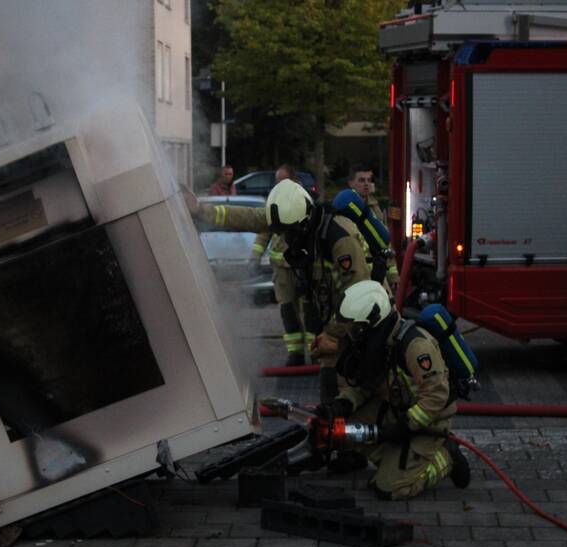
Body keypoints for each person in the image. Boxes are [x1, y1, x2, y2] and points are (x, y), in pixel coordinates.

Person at [187, 178, 371, 401]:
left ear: (304, 222)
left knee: (355, 389)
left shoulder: (341, 239)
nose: (287, 239)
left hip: (363, 323)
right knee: (329, 393)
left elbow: (360, 295)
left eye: (290, 233)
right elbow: (247, 217)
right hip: (336, 317)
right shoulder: (292, 217)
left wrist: (333, 332)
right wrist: (200, 211)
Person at [316, 280, 470, 499]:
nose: (350, 334)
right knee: (342, 429)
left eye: (353, 328)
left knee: (388, 488)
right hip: (396, 409)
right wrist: (344, 403)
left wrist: (406, 425)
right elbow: (368, 385)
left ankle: (446, 456)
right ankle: (397, 460)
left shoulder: (416, 346)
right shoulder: (377, 343)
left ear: (369, 323)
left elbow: (436, 395)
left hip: (429, 420)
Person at [250, 165, 313, 365]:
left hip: (303, 267)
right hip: (281, 269)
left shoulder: (303, 200)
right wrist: (255, 256)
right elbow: (264, 231)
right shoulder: (274, 201)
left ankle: (315, 351)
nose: (277, 185)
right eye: (276, 181)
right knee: (287, 311)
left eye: (281, 181)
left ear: (294, 181)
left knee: (308, 310)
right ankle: (295, 353)